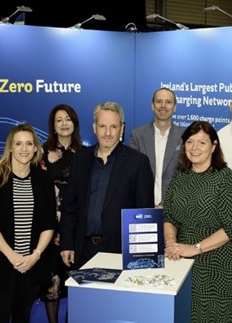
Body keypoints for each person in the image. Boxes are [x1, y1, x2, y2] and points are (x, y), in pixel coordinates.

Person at [163, 120, 232, 323]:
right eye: (190, 142)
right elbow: (169, 216)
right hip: (182, 264)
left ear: (214, 146)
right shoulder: (179, 178)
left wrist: (196, 248)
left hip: (219, 265)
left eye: (202, 142)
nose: (195, 148)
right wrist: (171, 242)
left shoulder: (227, 179)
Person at [60, 101, 154, 270]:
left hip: (120, 253)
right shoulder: (80, 159)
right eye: (102, 126)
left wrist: (140, 257)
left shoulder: (138, 162)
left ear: (122, 128)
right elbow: (70, 207)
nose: (108, 133)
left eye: (113, 126)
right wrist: (67, 243)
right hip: (83, 251)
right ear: (94, 127)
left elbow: (144, 212)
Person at [0, 123, 57, 323]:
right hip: (0, 265)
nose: (24, 149)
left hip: (31, 267)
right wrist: (12, 256)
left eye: (29, 143)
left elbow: (49, 223)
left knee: (23, 317)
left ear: (35, 148)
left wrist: (35, 255)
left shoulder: (43, 179)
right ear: (10, 147)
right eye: (18, 143)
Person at [39, 104, 83, 323]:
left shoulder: (86, 154)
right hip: (50, 226)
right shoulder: (42, 153)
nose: (64, 123)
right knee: (52, 282)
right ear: (53, 126)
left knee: (78, 280)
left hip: (77, 225)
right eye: (59, 120)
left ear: (74, 123)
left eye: (68, 119)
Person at [130, 87, 184, 207]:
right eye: (159, 101)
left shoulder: (185, 137)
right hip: (144, 207)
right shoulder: (137, 135)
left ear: (174, 107)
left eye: (168, 102)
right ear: (152, 105)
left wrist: (166, 205)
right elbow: (133, 175)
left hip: (174, 208)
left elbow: (186, 177)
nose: (163, 106)